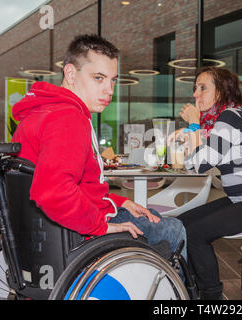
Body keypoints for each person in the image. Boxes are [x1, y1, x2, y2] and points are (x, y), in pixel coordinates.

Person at [11, 34, 186, 258]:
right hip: (77, 232)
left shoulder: (46, 110)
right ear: (71, 73)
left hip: (46, 228)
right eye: (98, 78)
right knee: (174, 230)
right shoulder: (67, 118)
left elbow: (78, 184)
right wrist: (99, 227)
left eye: (112, 80)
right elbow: (54, 191)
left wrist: (118, 201)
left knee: (150, 214)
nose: (109, 90)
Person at [169, 66, 242, 299]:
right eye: (195, 88)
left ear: (221, 91)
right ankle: (191, 290)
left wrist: (194, 126)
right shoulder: (220, 123)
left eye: (203, 88)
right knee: (180, 226)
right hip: (241, 200)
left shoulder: (231, 116)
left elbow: (201, 164)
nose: (195, 94)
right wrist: (196, 130)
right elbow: (192, 165)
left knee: (194, 233)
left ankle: (210, 297)